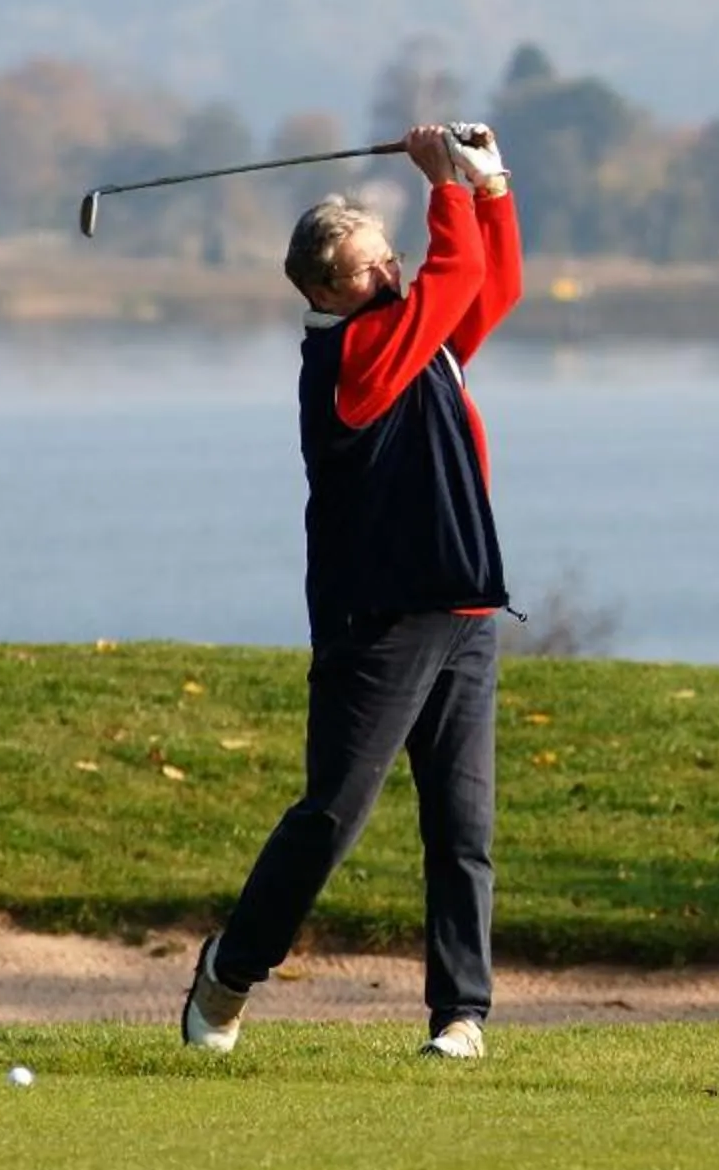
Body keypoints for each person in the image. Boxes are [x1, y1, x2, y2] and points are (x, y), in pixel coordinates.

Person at [182, 121, 525, 1059]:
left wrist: (491, 186)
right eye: (370, 268)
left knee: (463, 829)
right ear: (325, 292)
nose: (390, 273)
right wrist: (443, 182)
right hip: (376, 625)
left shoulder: (420, 339)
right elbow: (455, 274)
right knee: (332, 817)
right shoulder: (350, 362)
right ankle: (229, 972)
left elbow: (490, 286)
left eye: (391, 257)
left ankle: (461, 1016)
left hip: (464, 613)